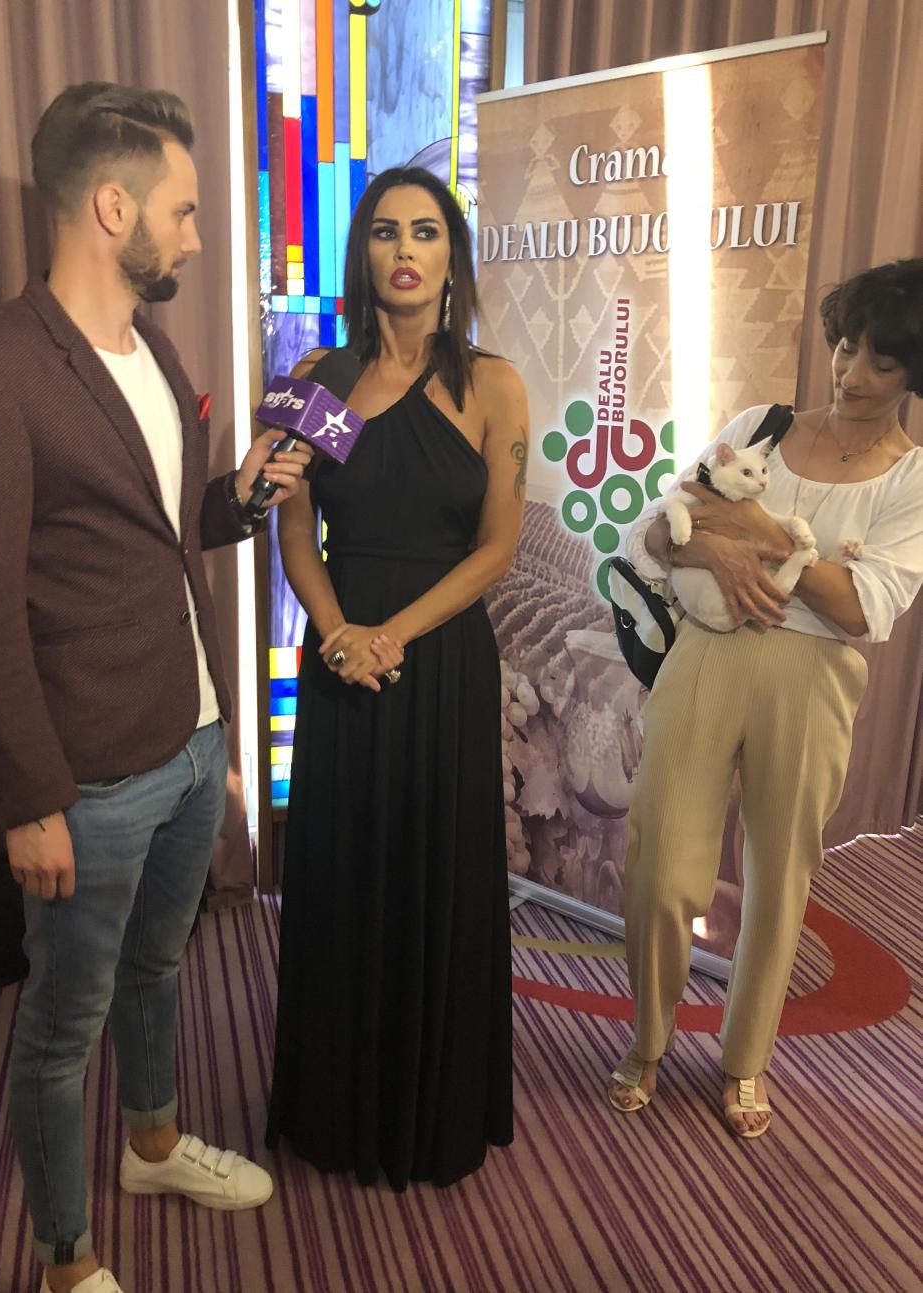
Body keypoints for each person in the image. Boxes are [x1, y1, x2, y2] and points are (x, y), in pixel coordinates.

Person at [0, 84, 311, 1293]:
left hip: (193, 734)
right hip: (88, 777)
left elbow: (153, 527)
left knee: (161, 968)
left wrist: (238, 497)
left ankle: (152, 1149)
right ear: (113, 207)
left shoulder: (152, 348)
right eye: (186, 211)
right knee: (62, 1026)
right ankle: (66, 1259)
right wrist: (28, 800)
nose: (198, 238)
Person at [608, 258, 923, 1138]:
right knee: (660, 868)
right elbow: (656, 533)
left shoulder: (911, 479)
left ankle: (746, 1058)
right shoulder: (761, 426)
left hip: (813, 678)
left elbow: (862, 607)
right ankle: (648, 1038)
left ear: (913, 372)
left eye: (881, 362)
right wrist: (716, 547)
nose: (851, 373)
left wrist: (750, 527)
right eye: (847, 346)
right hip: (707, 652)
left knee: (780, 878)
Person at [266, 165, 529, 1188]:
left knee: (436, 872)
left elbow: (497, 548)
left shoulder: (491, 384)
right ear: (362, 253)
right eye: (385, 231)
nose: (405, 250)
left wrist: (392, 635)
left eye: (425, 231)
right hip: (342, 658)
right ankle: (335, 1109)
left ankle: (430, 1110)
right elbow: (295, 530)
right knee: (340, 872)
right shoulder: (319, 381)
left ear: (451, 257)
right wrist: (339, 632)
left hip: (441, 657)